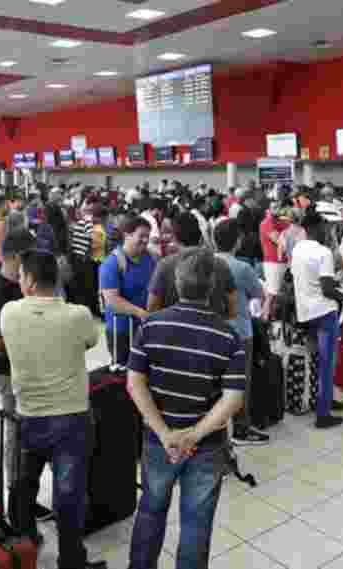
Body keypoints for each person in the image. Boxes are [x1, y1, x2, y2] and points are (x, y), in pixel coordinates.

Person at [126, 249, 245, 569]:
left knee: (151, 510)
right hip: (206, 445)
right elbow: (233, 398)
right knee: (196, 524)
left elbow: (135, 384)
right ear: (212, 286)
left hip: (158, 440)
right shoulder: (228, 336)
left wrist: (166, 434)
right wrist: (194, 434)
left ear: (177, 284)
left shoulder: (150, 326)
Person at [0, 250, 105, 569]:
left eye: (21, 276)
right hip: (71, 419)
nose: (19, 281)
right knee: (68, 496)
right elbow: (89, 342)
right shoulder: (78, 315)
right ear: (57, 280)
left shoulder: (9, 313)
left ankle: (25, 550)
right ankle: (72, 560)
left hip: (28, 417)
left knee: (23, 489)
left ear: (30, 281)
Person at [0, 229, 51, 519]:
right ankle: (15, 500)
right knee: (16, 435)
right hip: (9, 374)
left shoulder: (26, 286)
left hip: (30, 369)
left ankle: (25, 496)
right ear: (14, 258)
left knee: (31, 436)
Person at [291, 209, 343, 429]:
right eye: (325, 227)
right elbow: (327, 289)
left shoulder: (297, 248)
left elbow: (310, 279)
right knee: (328, 364)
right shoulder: (324, 252)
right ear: (315, 228)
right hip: (324, 313)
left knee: (319, 360)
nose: (327, 230)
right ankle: (323, 414)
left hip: (305, 312)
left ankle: (324, 400)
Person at [213, 220, 267, 445]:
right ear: (237, 241)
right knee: (240, 380)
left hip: (214, 329)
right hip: (240, 331)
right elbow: (258, 293)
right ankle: (242, 428)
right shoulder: (242, 268)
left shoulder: (207, 263)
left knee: (217, 379)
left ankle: (219, 426)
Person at [147, 212, 236, 318]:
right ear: (200, 236)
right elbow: (232, 309)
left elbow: (152, 307)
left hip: (173, 329)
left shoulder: (165, 265)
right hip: (213, 329)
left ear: (175, 237)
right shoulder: (221, 264)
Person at [99, 216, 156, 367]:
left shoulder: (150, 257)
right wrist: (139, 312)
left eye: (147, 237)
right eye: (141, 236)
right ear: (127, 235)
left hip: (145, 328)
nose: (145, 240)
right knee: (123, 373)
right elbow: (112, 300)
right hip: (122, 331)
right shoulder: (111, 263)